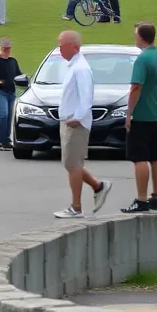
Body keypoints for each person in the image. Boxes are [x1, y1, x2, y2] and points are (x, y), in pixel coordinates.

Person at [54, 30, 112, 218]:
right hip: (68, 121)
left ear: (74, 46)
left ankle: (76, 207)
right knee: (71, 163)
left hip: (75, 123)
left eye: (62, 45)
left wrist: (77, 117)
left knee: (73, 164)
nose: (59, 48)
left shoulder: (81, 68)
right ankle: (98, 186)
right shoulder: (72, 66)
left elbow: (86, 97)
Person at [122, 22, 157, 213]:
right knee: (156, 157)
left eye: (136, 35)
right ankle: (156, 197)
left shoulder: (142, 60)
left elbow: (136, 88)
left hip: (142, 116)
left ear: (141, 37)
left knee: (139, 158)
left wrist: (129, 112)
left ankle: (141, 200)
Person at [0, 38, 22, 151]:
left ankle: (6, 140)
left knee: (9, 116)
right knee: (3, 114)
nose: (6, 50)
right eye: (4, 48)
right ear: (1, 47)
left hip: (11, 93)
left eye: (7, 48)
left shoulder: (12, 61)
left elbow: (18, 75)